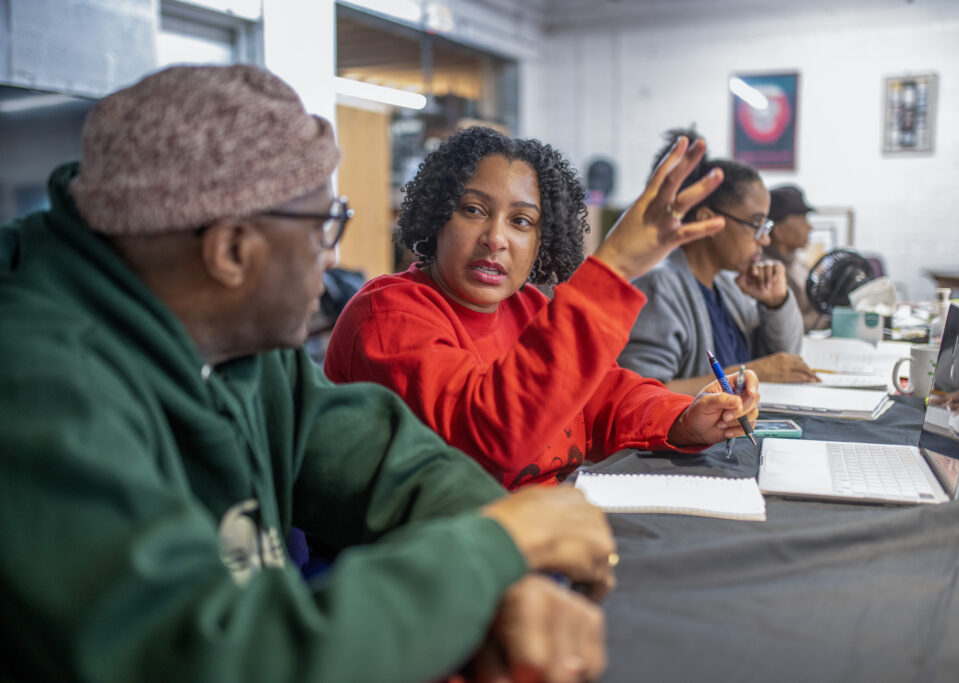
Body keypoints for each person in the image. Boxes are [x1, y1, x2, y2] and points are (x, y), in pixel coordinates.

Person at [0, 64, 618, 683]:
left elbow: (377, 458)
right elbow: (213, 657)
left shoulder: (237, 338)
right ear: (233, 252)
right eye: (325, 226)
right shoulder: (42, 391)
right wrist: (494, 552)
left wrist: (509, 562)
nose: (333, 257)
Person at [324, 126, 761, 490]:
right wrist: (613, 267)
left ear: (540, 243)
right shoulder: (387, 315)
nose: (496, 238)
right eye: (473, 210)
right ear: (437, 218)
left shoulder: (530, 305)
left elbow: (607, 395)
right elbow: (492, 435)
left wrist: (684, 418)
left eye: (521, 221)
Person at [618, 129, 818, 396]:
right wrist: (752, 374)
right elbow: (642, 395)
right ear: (706, 220)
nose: (765, 240)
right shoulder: (660, 287)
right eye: (756, 224)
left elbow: (784, 363)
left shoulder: (728, 285)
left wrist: (775, 304)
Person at [763, 184, 827, 331]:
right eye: (802, 220)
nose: (809, 227)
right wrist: (829, 318)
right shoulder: (767, 271)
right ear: (778, 230)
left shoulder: (796, 263)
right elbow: (790, 325)